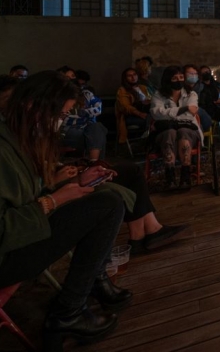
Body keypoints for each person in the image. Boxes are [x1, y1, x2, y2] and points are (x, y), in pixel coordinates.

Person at [0, 71, 133, 348]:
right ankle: (69, 311)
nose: (61, 122)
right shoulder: (4, 149)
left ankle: (89, 286)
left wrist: (75, 182)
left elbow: (26, 195)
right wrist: (54, 201)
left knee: (107, 197)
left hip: (26, 234)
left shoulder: (18, 138)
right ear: (31, 105)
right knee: (107, 204)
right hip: (8, 254)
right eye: (61, 113)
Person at [150, 66, 203, 190]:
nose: (179, 80)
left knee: (183, 132)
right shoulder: (159, 95)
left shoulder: (191, 94)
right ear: (168, 80)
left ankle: (185, 176)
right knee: (170, 133)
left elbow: (190, 115)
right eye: (175, 78)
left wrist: (169, 114)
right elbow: (156, 113)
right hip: (166, 131)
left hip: (188, 129)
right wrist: (182, 109)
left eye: (181, 77)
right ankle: (170, 176)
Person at [57, 65, 108, 161]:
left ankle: (94, 162)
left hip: (86, 128)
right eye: (67, 77)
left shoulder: (86, 94)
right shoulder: (57, 96)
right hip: (66, 129)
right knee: (97, 134)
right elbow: (64, 116)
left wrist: (81, 112)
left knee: (97, 127)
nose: (71, 79)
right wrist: (83, 113)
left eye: (73, 76)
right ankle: (96, 164)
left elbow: (98, 109)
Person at [116, 67, 150, 145]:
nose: (133, 77)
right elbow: (125, 107)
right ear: (125, 78)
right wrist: (139, 113)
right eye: (129, 76)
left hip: (146, 113)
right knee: (152, 121)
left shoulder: (143, 87)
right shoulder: (122, 90)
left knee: (157, 120)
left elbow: (150, 99)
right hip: (131, 116)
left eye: (134, 75)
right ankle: (147, 141)